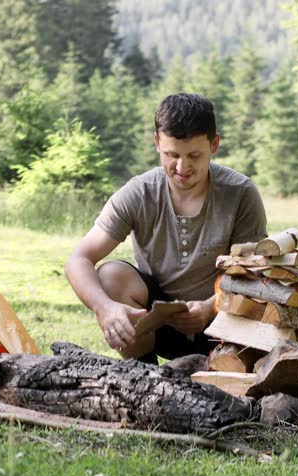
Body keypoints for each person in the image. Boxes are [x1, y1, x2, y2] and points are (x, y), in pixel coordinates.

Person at [64, 93, 267, 364]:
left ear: (214, 144)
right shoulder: (139, 193)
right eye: (172, 155)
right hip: (158, 325)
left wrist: (210, 306)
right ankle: (144, 377)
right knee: (111, 276)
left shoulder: (240, 193)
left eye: (194, 155)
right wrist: (105, 308)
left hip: (223, 324)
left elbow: (253, 273)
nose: (182, 167)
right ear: (157, 142)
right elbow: (78, 260)